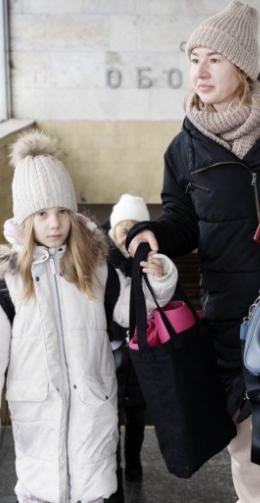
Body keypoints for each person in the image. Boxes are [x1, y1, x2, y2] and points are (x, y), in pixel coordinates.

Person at [127, 0, 260, 503]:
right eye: (194, 58)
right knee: (247, 457)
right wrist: (153, 234)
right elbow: (183, 222)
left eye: (214, 59)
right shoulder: (184, 148)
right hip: (229, 320)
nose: (199, 71)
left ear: (242, 66)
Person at [0, 130, 178, 503]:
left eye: (62, 211)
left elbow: (131, 310)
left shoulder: (94, 268)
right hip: (37, 418)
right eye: (42, 213)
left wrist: (160, 280)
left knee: (95, 488)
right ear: (26, 219)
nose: (54, 223)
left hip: (92, 410)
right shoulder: (5, 280)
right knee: (43, 488)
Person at [103, 193, 152, 499]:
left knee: (136, 417)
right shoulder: (101, 263)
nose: (128, 233)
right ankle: (115, 473)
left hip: (139, 355)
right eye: (123, 227)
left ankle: (133, 462)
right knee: (109, 420)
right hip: (108, 354)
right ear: (113, 230)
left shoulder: (151, 259)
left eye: (135, 227)